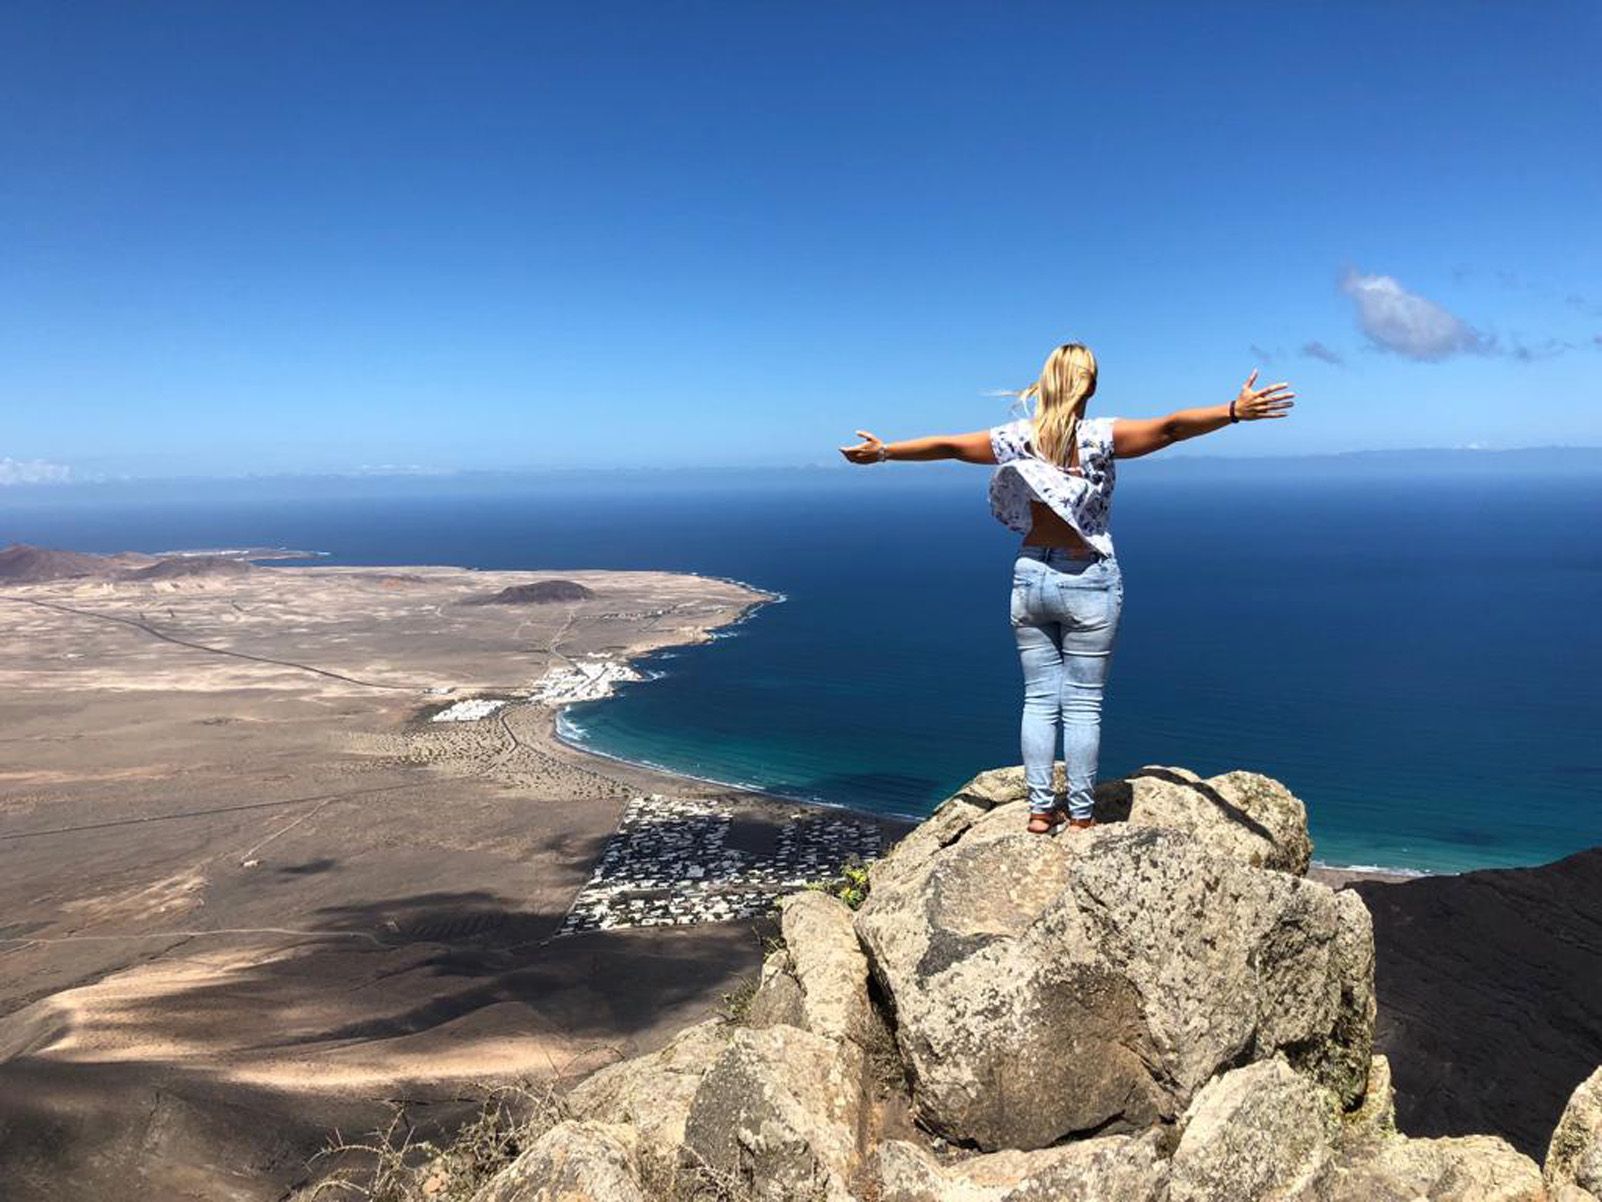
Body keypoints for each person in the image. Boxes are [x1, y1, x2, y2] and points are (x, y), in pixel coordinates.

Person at [839, 342, 1295, 835]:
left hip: (1031, 575)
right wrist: (1232, 412)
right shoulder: (1100, 436)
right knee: (1081, 703)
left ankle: (1039, 810)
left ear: (1047, 382)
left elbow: (948, 446)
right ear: (1090, 385)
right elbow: (1171, 427)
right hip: (1087, 578)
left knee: (1038, 699)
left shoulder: (1015, 438)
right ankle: (1080, 815)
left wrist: (884, 451)